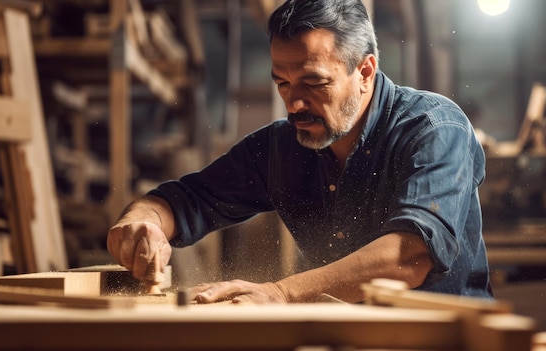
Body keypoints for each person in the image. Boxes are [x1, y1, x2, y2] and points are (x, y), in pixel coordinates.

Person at [107, 0, 492, 304]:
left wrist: (281, 293)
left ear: (365, 72)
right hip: (344, 338)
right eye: (283, 83)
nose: (294, 104)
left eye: (314, 83)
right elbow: (184, 200)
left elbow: (409, 255)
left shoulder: (435, 129)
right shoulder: (282, 147)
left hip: (448, 338)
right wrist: (146, 222)